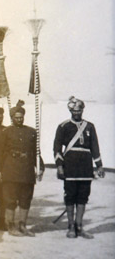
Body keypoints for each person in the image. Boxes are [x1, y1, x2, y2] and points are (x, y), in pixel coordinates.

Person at [53, 96, 105, 239]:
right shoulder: (64, 126)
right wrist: (59, 166)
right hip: (69, 166)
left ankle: (79, 226)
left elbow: (95, 147)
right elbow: (57, 148)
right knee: (70, 197)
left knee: (83, 197)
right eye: (74, 110)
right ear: (70, 110)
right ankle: (70, 226)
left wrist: (99, 166)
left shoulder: (89, 126)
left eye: (79, 110)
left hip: (85, 168)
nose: (77, 112)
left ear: (83, 110)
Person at [0, 100, 44, 237]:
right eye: (16, 117)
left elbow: (36, 152)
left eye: (21, 117)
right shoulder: (5, 132)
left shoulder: (31, 132)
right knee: (10, 199)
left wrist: (40, 168)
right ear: (12, 118)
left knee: (25, 198)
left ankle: (23, 225)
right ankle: (11, 225)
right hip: (10, 170)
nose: (19, 119)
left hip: (27, 170)